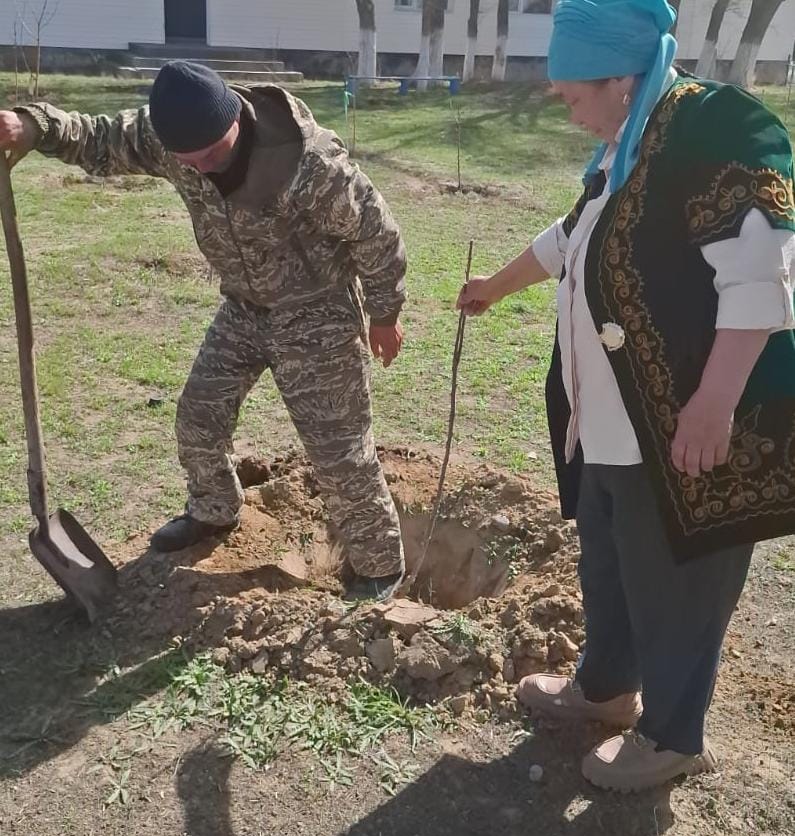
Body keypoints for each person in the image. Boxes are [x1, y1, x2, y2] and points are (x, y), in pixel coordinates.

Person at [458, 0, 795, 792]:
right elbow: (570, 235)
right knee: (608, 563)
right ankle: (606, 687)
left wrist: (713, 404)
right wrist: (495, 286)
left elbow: (759, 278)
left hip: (684, 426)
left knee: (678, 585)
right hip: (611, 421)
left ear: (619, 78)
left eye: (571, 92)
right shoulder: (627, 139)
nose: (562, 107)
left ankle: (671, 736)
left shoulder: (711, 128)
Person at [0, 61, 408, 601]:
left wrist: (384, 315)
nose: (202, 169)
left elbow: (378, 235)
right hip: (243, 308)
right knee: (198, 418)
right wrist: (33, 125)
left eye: (212, 154)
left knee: (339, 451)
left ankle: (379, 567)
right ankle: (214, 510)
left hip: (317, 315)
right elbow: (101, 138)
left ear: (235, 117)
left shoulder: (309, 165)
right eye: (188, 161)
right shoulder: (172, 141)